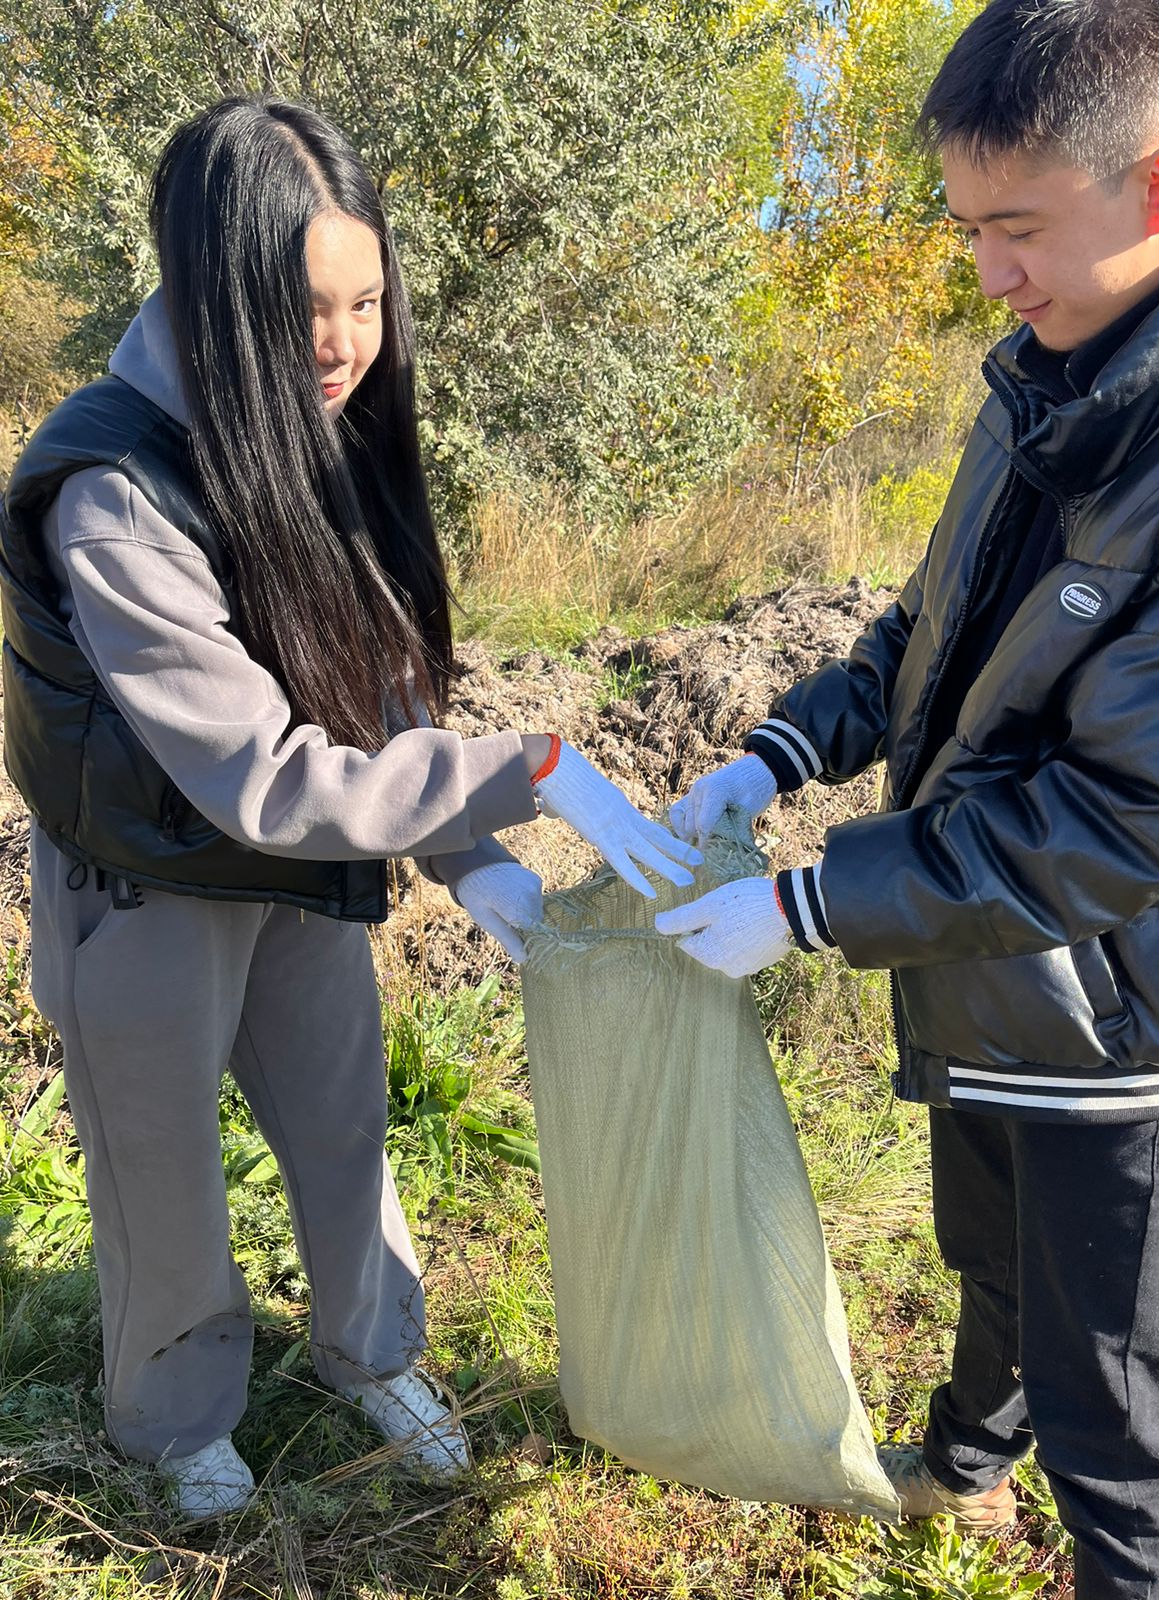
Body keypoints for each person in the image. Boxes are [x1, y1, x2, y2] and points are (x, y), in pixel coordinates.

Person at [0, 97, 700, 1521]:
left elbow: (364, 675)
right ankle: (176, 1419)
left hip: (299, 872)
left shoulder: (315, 424)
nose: (342, 343)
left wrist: (465, 854)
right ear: (217, 296)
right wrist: (528, 768)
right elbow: (263, 775)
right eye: (303, 310)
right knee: (162, 1175)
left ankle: (369, 1352)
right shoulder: (112, 490)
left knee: (342, 1128)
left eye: (366, 301)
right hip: (146, 883)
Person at [657, 2, 1159, 1595]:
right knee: (993, 1266)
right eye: (969, 231)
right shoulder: (1042, 378)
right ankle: (963, 1469)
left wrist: (814, 903)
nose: (989, 273)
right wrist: (782, 749)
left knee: (1129, 1442)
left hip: (1128, 1036)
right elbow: (931, 631)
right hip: (988, 977)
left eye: (1017, 227)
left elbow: (1123, 821)